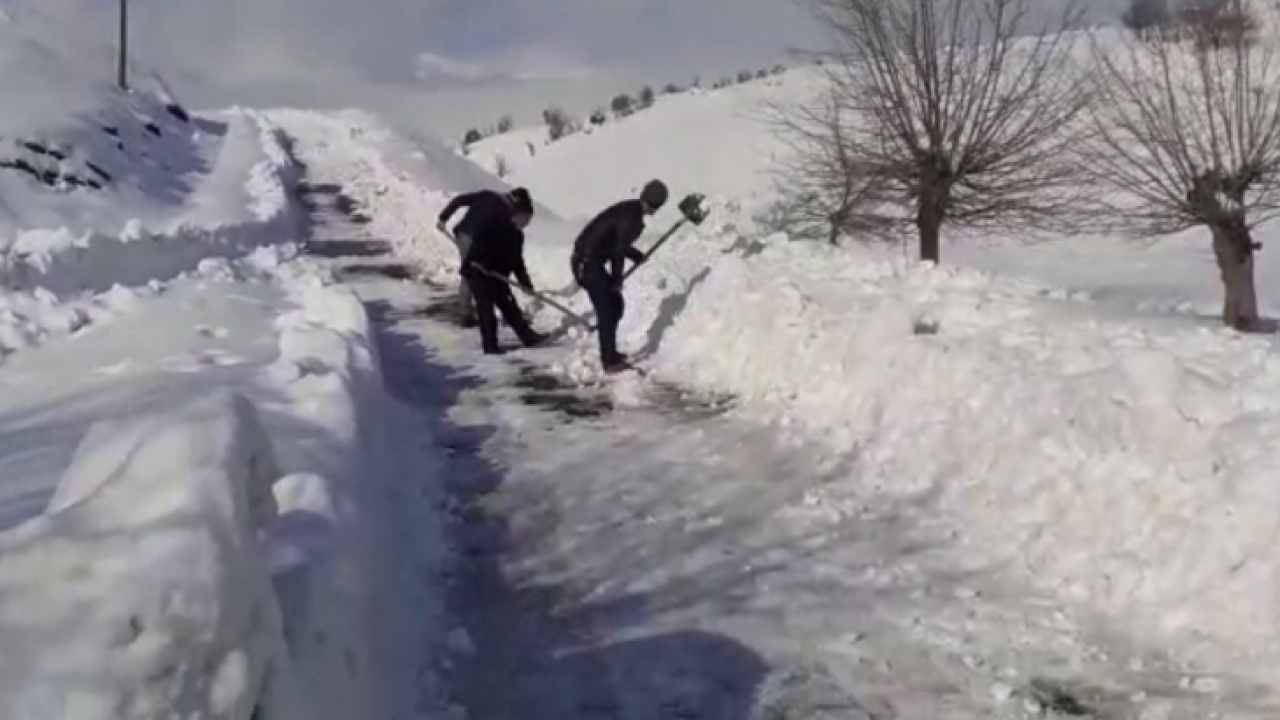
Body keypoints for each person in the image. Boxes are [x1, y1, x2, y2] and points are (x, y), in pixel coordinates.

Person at [570, 180, 668, 373]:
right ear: (655, 205)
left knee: (615, 305)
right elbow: (618, 251)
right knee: (607, 309)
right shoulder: (631, 217)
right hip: (587, 263)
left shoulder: (631, 211)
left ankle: (611, 352)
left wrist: (636, 256)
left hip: (591, 261)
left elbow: (617, 243)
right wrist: (617, 280)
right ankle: (609, 362)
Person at [460, 191, 547, 355]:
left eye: (528, 220)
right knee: (486, 311)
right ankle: (490, 346)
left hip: (497, 275)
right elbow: (478, 244)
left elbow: (517, 262)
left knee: (509, 307)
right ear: (517, 214)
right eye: (525, 218)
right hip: (477, 272)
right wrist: (483, 264)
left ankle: (528, 337)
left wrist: (525, 284)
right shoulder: (495, 225)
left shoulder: (517, 236)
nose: (526, 223)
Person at [437, 187, 532, 327]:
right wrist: (524, 282)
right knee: (471, 274)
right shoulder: (504, 212)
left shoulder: (487, 195)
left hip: (464, 234)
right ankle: (467, 315)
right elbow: (513, 256)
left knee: (471, 272)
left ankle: (469, 312)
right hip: (474, 240)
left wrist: (443, 218)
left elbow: (459, 200)